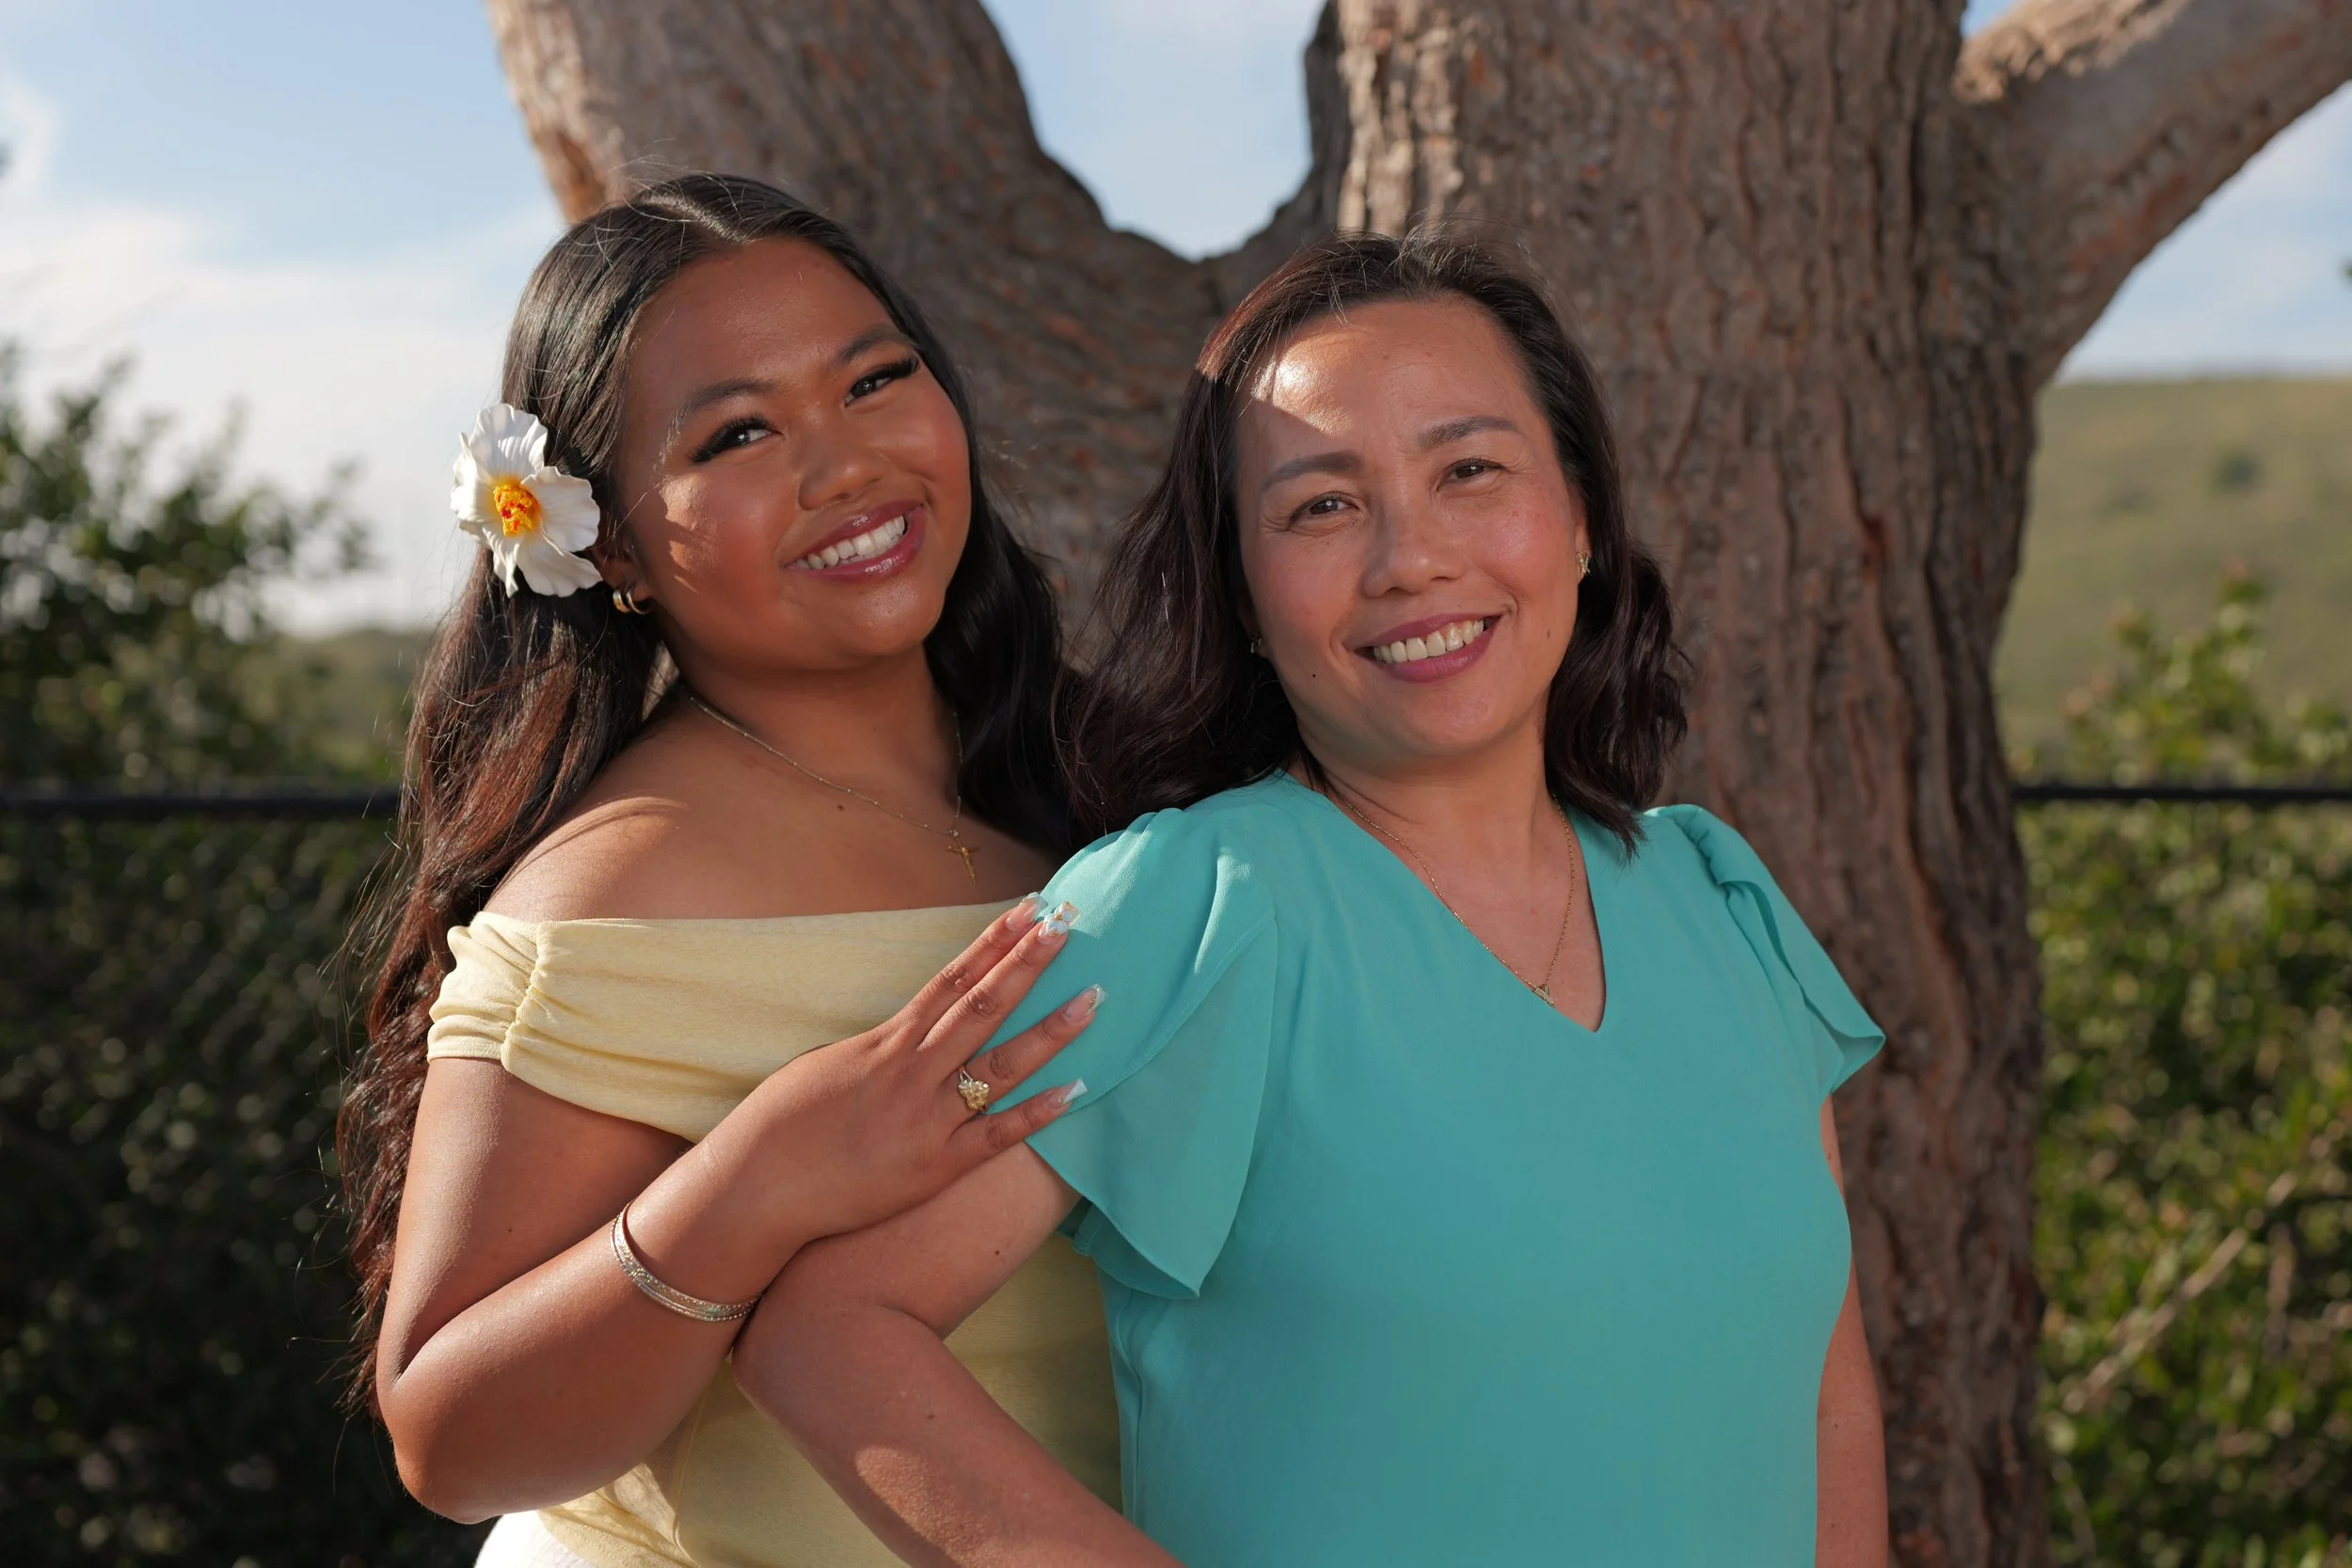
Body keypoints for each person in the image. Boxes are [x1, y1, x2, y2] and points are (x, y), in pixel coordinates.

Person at [743, 231, 1892, 1566]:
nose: (1409, 556)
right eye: (1322, 506)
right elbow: (827, 1331)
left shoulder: (1725, 902)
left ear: (1579, 516)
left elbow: (1827, 1395)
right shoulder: (1195, 906)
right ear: (1240, 589)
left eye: (1469, 469)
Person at [340, 173, 1120, 1568]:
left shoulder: (1106, 779)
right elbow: (449, 1443)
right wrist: (758, 1180)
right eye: (740, 432)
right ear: (615, 542)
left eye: (875, 379)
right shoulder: (614, 899)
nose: (847, 464)